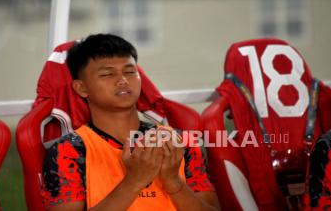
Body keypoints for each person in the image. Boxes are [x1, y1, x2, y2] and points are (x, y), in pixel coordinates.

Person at [40, 33, 220, 210]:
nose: (123, 80)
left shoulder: (177, 142)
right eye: (107, 74)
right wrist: (134, 181)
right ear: (81, 88)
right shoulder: (69, 151)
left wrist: (174, 182)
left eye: (130, 72)